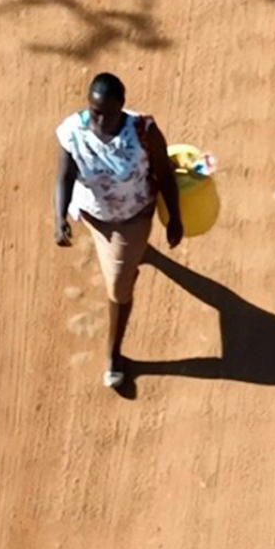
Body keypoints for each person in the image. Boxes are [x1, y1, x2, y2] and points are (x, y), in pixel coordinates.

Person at [54, 72, 183, 389]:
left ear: (121, 107)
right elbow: (65, 176)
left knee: (117, 288)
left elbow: (164, 174)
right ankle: (135, 259)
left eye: (108, 113)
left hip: (131, 218)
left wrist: (175, 218)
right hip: (93, 214)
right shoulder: (72, 130)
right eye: (94, 111)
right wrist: (60, 217)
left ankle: (114, 353)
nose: (99, 119)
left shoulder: (143, 131)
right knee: (124, 265)